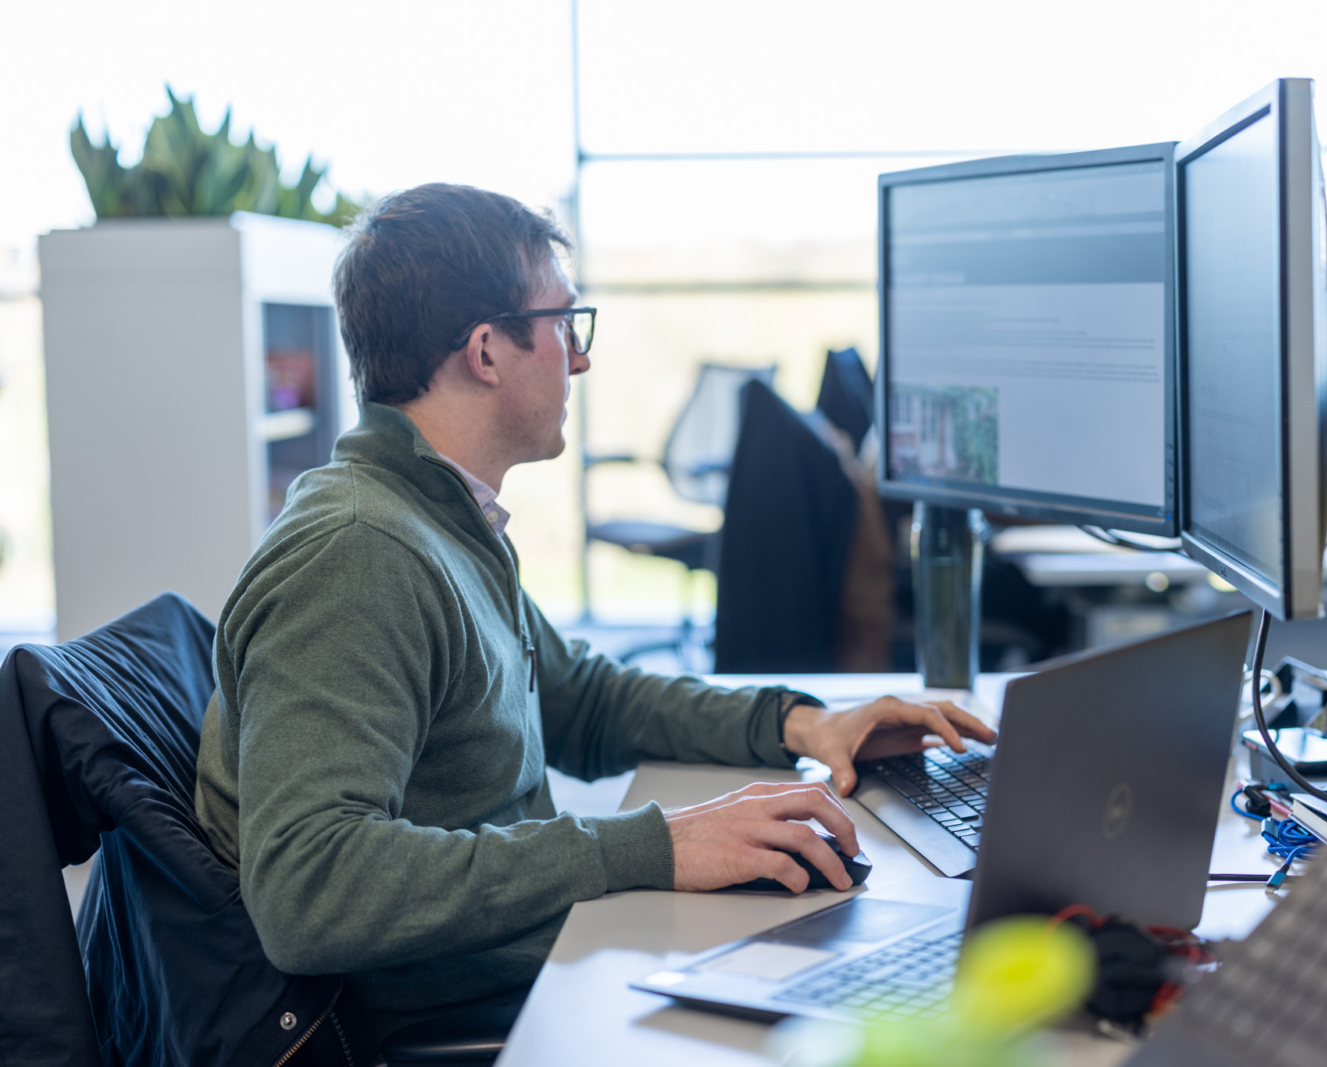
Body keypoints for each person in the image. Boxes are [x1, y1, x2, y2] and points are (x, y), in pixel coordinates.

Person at [192, 183, 993, 1044]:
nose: (578, 358)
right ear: (489, 350)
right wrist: (652, 847)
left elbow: (583, 699)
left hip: (520, 963)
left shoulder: (434, 517)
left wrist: (806, 724)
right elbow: (311, 889)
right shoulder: (358, 554)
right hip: (458, 1022)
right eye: (565, 323)